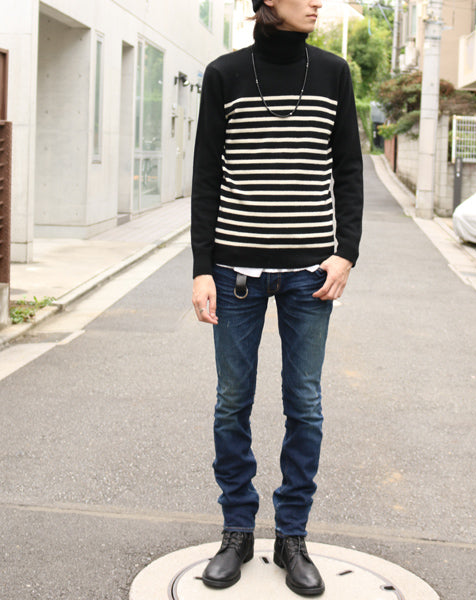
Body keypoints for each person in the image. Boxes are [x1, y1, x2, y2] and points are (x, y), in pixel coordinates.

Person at [190, 0, 363, 595]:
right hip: (234, 270)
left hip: (311, 273)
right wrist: (201, 267)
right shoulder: (225, 73)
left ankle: (292, 537)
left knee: (305, 404)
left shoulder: (334, 72)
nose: (317, 2)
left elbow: (348, 168)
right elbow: (206, 174)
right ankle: (237, 531)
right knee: (231, 402)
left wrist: (346, 251)